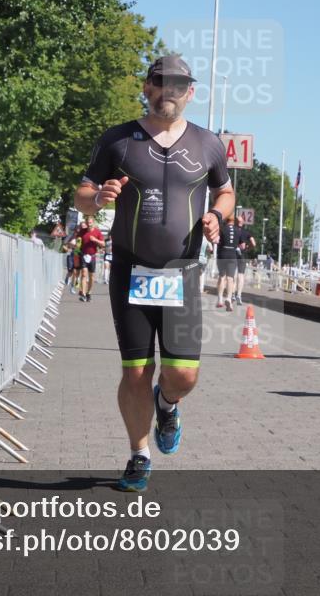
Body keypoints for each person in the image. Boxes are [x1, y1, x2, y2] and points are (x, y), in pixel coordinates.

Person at [74, 54, 234, 492]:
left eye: (179, 85)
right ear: (147, 87)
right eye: (161, 83)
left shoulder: (208, 143)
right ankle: (139, 454)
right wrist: (98, 198)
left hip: (181, 272)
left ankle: (167, 405)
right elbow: (82, 195)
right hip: (130, 269)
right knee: (136, 372)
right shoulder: (119, 140)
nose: (170, 92)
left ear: (191, 93)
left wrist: (218, 215)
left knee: (183, 375)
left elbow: (225, 189)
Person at [214, 214, 239, 311]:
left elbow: (216, 240)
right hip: (232, 255)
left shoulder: (222, 229)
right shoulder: (238, 230)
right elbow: (242, 245)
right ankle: (228, 298)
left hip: (222, 254)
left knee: (222, 277)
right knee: (230, 278)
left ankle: (220, 299)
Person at [78, 216, 105, 302]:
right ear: (86, 223)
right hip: (83, 255)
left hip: (92, 256)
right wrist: (76, 243)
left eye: (90, 223)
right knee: (84, 274)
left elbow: (103, 244)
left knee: (92, 277)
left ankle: (89, 292)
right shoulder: (82, 232)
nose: (89, 224)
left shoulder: (97, 232)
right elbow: (77, 240)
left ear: (93, 223)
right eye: (87, 223)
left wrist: (95, 240)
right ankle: (83, 294)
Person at [234, 214, 256, 304]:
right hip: (243, 255)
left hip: (233, 254)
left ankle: (232, 295)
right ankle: (239, 295)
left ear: (236, 222)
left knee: (233, 275)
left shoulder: (233, 230)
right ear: (243, 223)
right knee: (241, 275)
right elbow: (253, 243)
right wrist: (248, 248)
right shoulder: (247, 232)